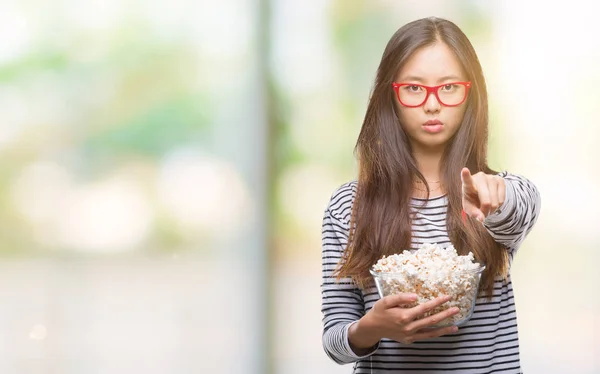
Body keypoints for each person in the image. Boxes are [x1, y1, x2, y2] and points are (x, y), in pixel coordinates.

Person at [320, 16, 541, 373]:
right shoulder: (349, 206)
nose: (433, 104)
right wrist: (371, 328)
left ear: (471, 95)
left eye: (449, 87)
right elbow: (336, 342)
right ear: (390, 95)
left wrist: (495, 196)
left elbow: (519, 205)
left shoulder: (494, 196)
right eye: (414, 88)